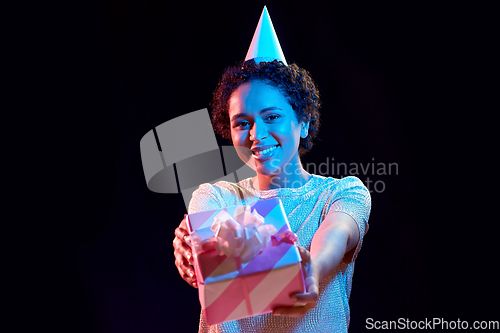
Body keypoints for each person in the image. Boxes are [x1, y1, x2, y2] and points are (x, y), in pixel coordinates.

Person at [172, 7, 371, 333]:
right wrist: (193, 241)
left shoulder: (341, 193)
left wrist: (312, 269)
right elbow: (205, 231)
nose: (256, 134)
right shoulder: (217, 196)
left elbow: (337, 232)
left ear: (303, 122)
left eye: (272, 117)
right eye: (242, 123)